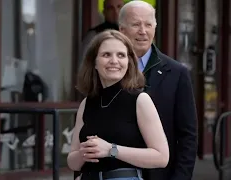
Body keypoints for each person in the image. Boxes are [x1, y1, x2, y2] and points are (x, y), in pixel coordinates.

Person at [67, 30, 169, 180]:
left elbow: (161, 157)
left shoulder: (140, 100)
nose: (114, 61)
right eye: (106, 55)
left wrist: (111, 150)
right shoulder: (87, 103)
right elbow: (72, 163)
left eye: (121, 55)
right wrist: (85, 153)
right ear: (94, 62)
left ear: (129, 62)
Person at [118, 1, 198, 180]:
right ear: (122, 30)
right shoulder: (108, 69)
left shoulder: (177, 73)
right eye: (136, 24)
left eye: (148, 25)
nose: (143, 31)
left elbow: (188, 136)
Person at [79, 0, 124, 66]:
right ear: (104, 12)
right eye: (110, 8)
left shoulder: (131, 33)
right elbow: (83, 65)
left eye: (119, 7)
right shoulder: (94, 35)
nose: (116, 12)